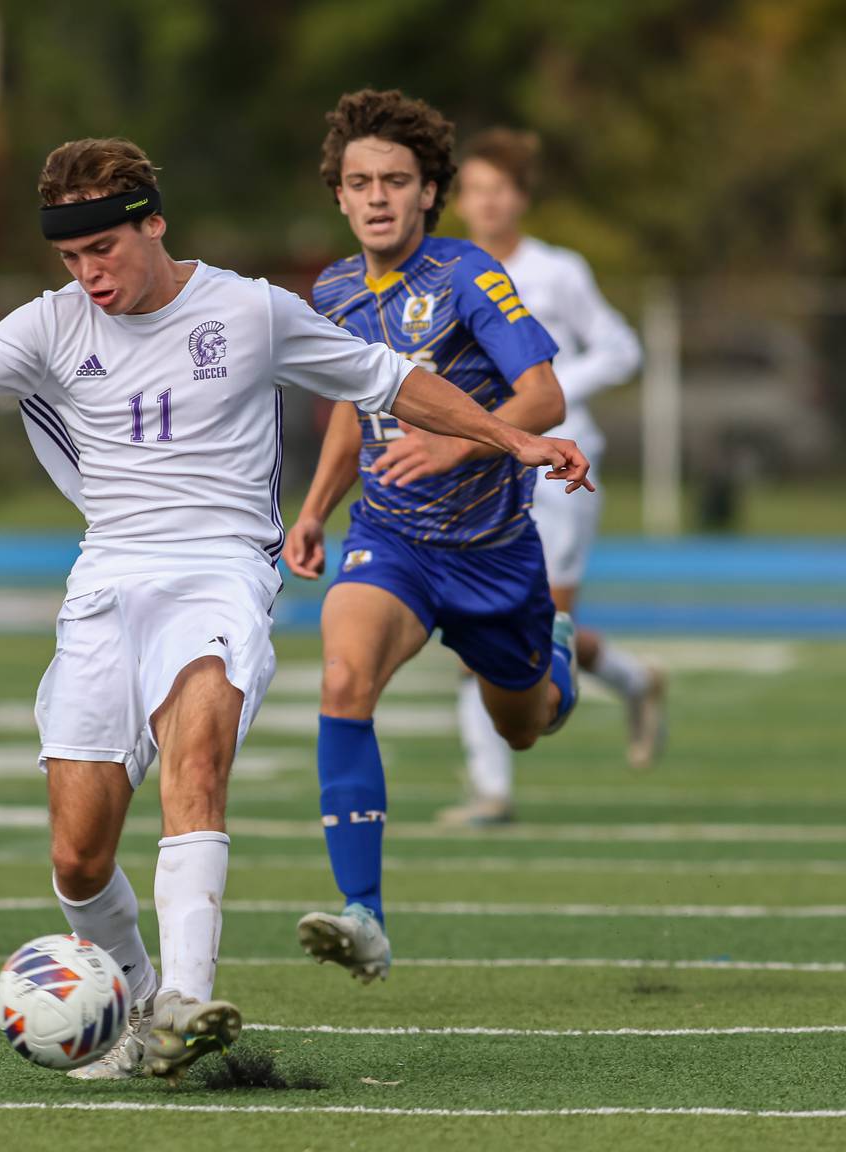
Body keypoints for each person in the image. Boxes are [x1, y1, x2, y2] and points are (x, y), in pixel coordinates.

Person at [0, 136, 591, 1080]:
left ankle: (182, 997)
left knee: (197, 756)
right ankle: (135, 1005)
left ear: (152, 223)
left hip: (221, 573)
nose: (90, 274)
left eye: (105, 251)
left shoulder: (251, 310)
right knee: (79, 858)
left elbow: (388, 381)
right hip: (106, 582)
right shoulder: (49, 326)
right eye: (72, 258)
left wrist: (507, 435)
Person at [282, 88, 590, 986]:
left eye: (397, 181)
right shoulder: (333, 291)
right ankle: (363, 915)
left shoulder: (467, 274)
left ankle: (555, 660)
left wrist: (453, 442)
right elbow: (352, 403)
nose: (377, 197)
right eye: (359, 182)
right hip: (393, 541)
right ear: (339, 196)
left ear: (429, 193)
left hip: (493, 552)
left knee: (523, 725)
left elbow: (543, 396)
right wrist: (316, 508)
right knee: (343, 677)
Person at [441, 127, 666, 825]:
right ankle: (493, 790)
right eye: (473, 190)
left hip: (561, 465)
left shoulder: (557, 270)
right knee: (474, 625)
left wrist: (546, 387)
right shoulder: (444, 269)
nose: (486, 204)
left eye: (499, 190)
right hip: (483, 467)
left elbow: (622, 347)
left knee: (546, 630)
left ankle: (631, 680)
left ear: (522, 198)